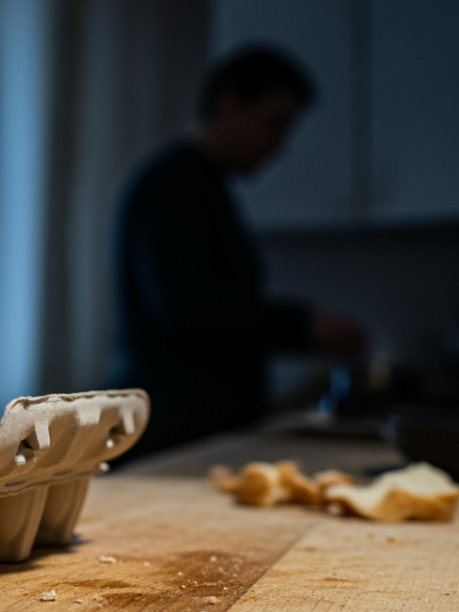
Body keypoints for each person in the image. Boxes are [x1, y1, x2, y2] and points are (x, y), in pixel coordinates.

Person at [117, 46, 365, 458]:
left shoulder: (206, 186)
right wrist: (304, 322)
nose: (281, 145)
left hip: (203, 427)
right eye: (275, 124)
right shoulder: (173, 183)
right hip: (175, 431)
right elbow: (187, 306)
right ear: (229, 104)